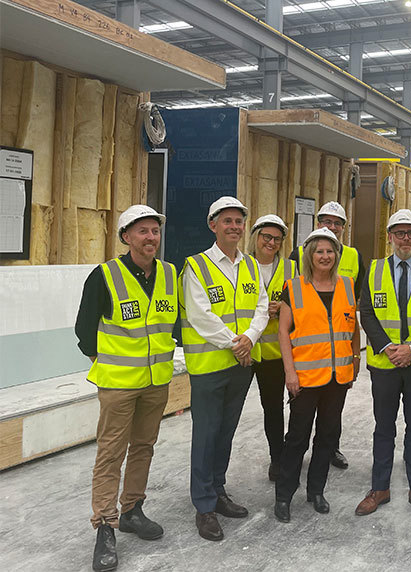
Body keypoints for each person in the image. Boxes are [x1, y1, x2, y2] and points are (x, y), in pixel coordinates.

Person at [75, 205, 177, 572]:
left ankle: (133, 509)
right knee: (111, 453)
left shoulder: (170, 274)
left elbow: (174, 324)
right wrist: (106, 364)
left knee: (144, 447)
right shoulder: (104, 276)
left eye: (155, 231)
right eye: (143, 231)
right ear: (126, 237)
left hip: (156, 382)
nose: (151, 237)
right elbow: (85, 331)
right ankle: (105, 525)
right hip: (118, 385)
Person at [179, 196, 269, 542]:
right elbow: (200, 315)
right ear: (212, 225)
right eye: (227, 221)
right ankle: (204, 506)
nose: (234, 226)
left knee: (225, 433)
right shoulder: (196, 266)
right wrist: (238, 343)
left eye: (238, 221)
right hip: (210, 367)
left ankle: (217, 490)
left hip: (240, 367)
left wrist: (250, 337)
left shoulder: (250, 266)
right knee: (206, 435)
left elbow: (261, 307)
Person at [355, 210, 411, 520]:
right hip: (385, 363)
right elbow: (367, 312)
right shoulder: (375, 269)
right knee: (384, 427)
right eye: (400, 233)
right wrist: (388, 347)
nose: (406, 239)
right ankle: (380, 488)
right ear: (389, 236)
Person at [273, 227, 361, 522]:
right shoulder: (294, 287)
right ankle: (284, 495)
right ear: (309, 255)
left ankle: (316, 490)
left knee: (327, 436)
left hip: (338, 378)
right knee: (297, 438)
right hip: (305, 378)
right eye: (319, 251)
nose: (325, 256)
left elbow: (353, 327)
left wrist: (355, 359)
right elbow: (283, 332)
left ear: (337, 255)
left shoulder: (347, 285)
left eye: (330, 251)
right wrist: (290, 373)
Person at [289, 200, 365, 470]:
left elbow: (355, 303)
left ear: (344, 228)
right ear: (318, 223)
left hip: (338, 348)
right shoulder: (299, 253)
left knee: (332, 413)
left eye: (337, 223)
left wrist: (355, 355)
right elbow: (290, 292)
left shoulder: (353, 256)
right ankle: (291, 461)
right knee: (301, 419)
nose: (332, 226)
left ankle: (332, 449)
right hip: (308, 351)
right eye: (327, 221)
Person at [248, 214, 297, 482]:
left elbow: (304, 305)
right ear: (256, 237)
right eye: (266, 237)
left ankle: (278, 458)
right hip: (246, 351)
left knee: (274, 408)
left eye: (277, 239)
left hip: (277, 353)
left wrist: (285, 308)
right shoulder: (241, 266)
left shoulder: (291, 269)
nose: (271, 242)